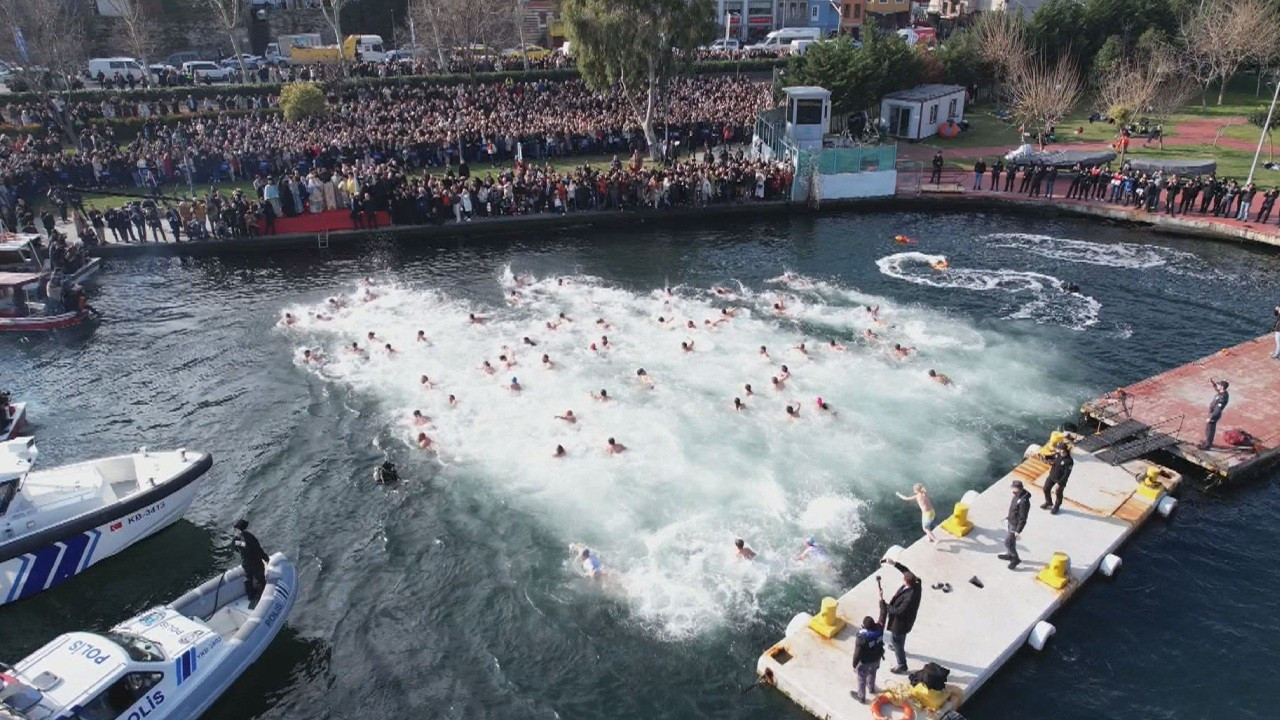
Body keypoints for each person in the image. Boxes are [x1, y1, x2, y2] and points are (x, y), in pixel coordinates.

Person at [878, 558, 921, 674]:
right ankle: (895, 645)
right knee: (898, 640)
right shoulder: (917, 583)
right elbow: (906, 570)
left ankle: (902, 664)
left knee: (897, 642)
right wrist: (894, 563)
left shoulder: (909, 598)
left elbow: (898, 611)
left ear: (906, 582)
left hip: (900, 624)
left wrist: (884, 605)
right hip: (907, 622)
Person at [850, 613, 886, 704]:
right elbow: (883, 616)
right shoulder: (880, 629)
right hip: (877, 658)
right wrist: (882, 605)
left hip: (865, 661)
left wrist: (854, 664)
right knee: (872, 672)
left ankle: (861, 697)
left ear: (865, 627)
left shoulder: (862, 638)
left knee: (861, 678)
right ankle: (871, 688)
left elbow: (857, 653)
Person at [233, 519, 270, 606]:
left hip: (245, 561)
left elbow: (236, 547)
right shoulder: (250, 537)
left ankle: (250, 595)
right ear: (246, 527)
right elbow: (257, 549)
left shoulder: (237, 538)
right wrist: (266, 558)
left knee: (248, 577)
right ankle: (263, 597)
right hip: (254, 561)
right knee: (260, 578)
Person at [999, 480, 1031, 569]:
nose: (1012, 489)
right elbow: (1014, 510)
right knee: (1011, 542)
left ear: (1018, 489)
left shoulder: (1023, 502)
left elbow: (1023, 518)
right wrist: (1008, 517)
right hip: (1011, 521)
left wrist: (1018, 530)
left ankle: (1015, 558)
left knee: (1008, 542)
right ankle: (1009, 555)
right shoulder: (1017, 496)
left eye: (1013, 487)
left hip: (1015, 525)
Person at [1041, 444, 1074, 514]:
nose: (1057, 450)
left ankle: (1056, 506)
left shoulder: (1069, 461)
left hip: (1060, 480)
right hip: (1052, 476)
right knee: (1046, 489)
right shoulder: (1057, 454)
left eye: (1058, 449)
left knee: (1058, 494)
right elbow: (1052, 457)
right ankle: (1048, 502)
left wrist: (1060, 483)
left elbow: (1066, 474)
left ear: (1063, 450)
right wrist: (1045, 457)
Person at [1201, 379, 1230, 450]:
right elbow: (1217, 389)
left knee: (1210, 429)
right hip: (1212, 413)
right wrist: (1212, 383)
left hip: (1214, 415)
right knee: (1207, 428)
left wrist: (1211, 417)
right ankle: (1207, 441)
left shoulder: (1222, 398)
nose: (1218, 386)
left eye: (1219, 385)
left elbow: (1217, 410)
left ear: (1222, 387)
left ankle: (1207, 445)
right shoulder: (1221, 392)